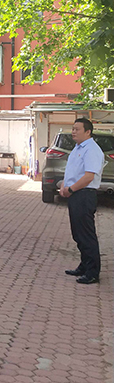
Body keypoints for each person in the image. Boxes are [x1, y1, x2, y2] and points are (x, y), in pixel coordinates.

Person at [59, 118, 104, 284]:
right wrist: (64, 185)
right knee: (78, 234)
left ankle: (92, 272)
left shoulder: (91, 149)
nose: (73, 132)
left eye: (77, 129)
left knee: (86, 234)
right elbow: (72, 171)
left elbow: (88, 176)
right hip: (76, 194)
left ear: (88, 132)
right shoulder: (78, 148)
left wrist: (71, 189)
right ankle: (84, 266)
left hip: (84, 194)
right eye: (72, 128)